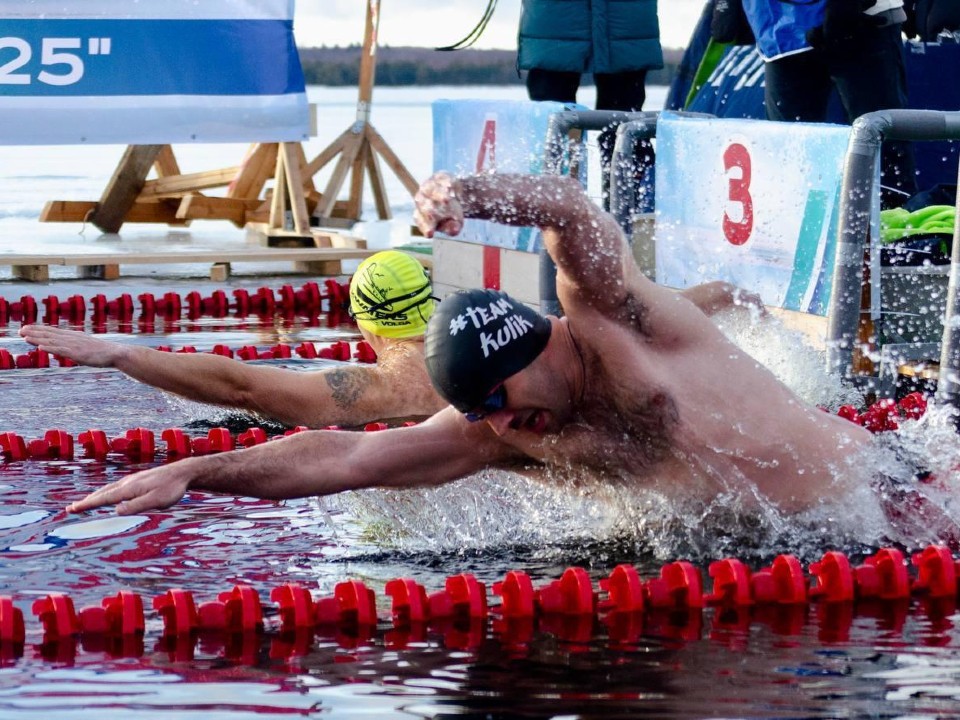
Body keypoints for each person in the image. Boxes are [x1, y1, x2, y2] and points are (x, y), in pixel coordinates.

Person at [64, 171, 871, 518]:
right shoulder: (493, 431)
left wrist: (468, 197)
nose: (497, 424)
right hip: (765, 562)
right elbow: (344, 459)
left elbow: (570, 210)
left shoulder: (615, 326)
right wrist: (193, 471)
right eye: (476, 411)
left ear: (529, 352)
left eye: (496, 400)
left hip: (880, 505)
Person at [20, 250, 448, 428]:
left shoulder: (369, 390)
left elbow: (241, 385)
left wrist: (119, 353)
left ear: (366, 322)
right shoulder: (487, 369)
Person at [741, 0, 918, 207]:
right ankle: (798, 223)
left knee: (882, 146)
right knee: (790, 152)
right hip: (778, 31)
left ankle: (895, 224)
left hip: (863, 19)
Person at [517, 0, 663, 207]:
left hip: (618, 23)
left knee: (625, 123)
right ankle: (553, 210)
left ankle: (630, 214)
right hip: (568, 22)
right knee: (553, 121)